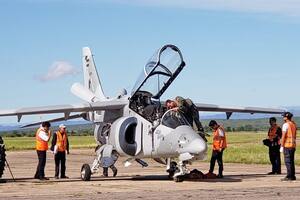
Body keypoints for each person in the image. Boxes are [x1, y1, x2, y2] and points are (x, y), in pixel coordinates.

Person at [280, 112, 297, 181]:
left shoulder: (285, 125)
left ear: (286, 117)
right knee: (291, 161)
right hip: (293, 145)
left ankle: (289, 176)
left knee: (288, 161)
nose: (283, 118)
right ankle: (292, 176)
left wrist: (281, 146)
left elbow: (283, 136)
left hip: (287, 145)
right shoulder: (293, 124)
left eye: (283, 116)